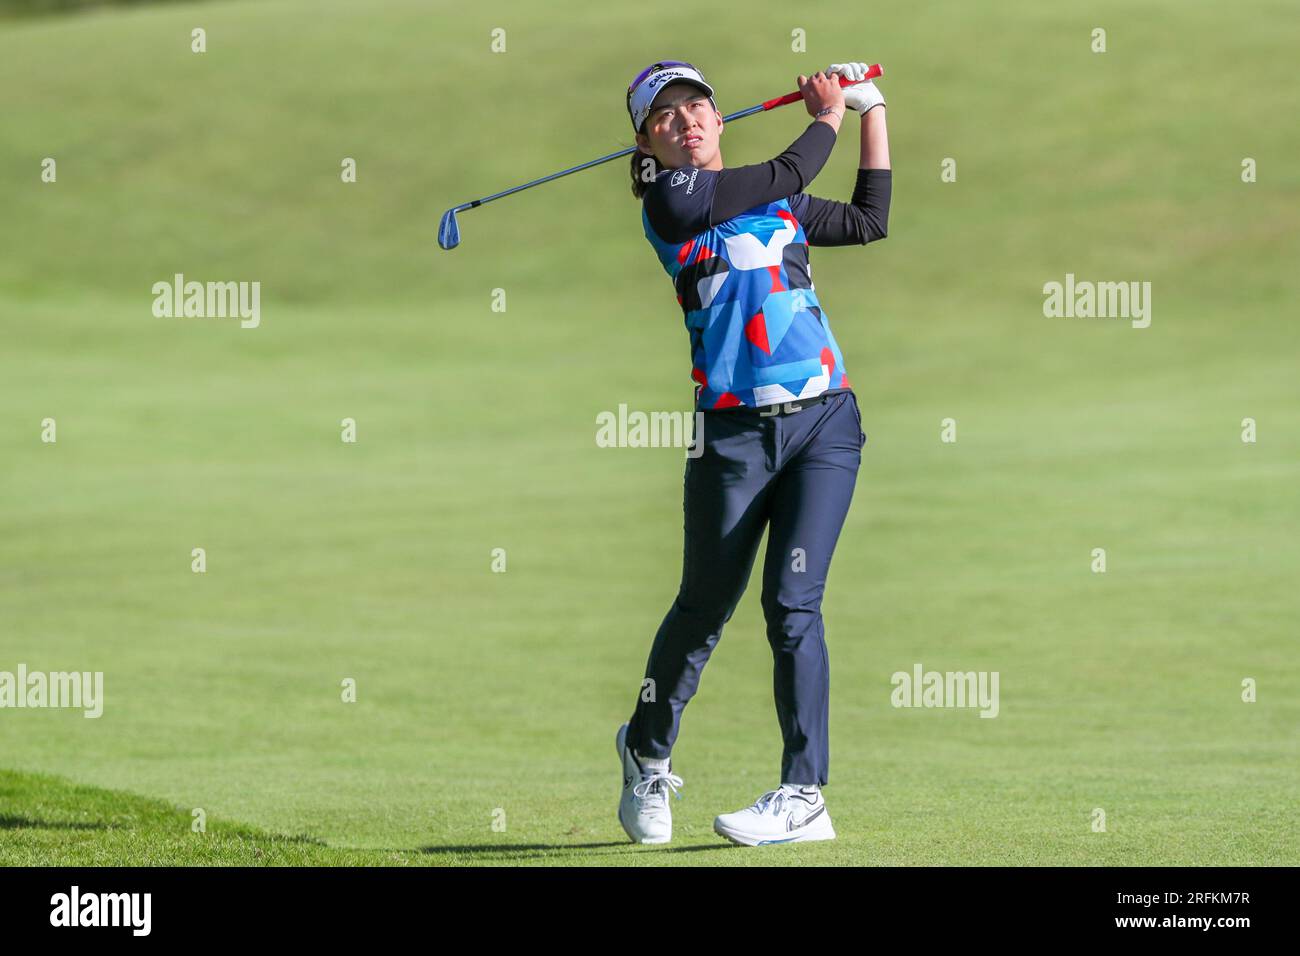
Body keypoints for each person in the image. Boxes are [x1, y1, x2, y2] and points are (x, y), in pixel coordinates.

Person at [615, 60, 891, 846]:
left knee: (793, 608)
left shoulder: (781, 201)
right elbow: (791, 164)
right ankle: (646, 750)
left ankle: (804, 794)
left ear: (720, 116)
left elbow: (871, 220)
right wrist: (825, 117)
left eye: (697, 106)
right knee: (702, 611)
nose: (688, 121)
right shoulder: (671, 203)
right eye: (666, 117)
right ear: (646, 140)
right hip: (732, 439)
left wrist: (871, 111)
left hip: (823, 426)